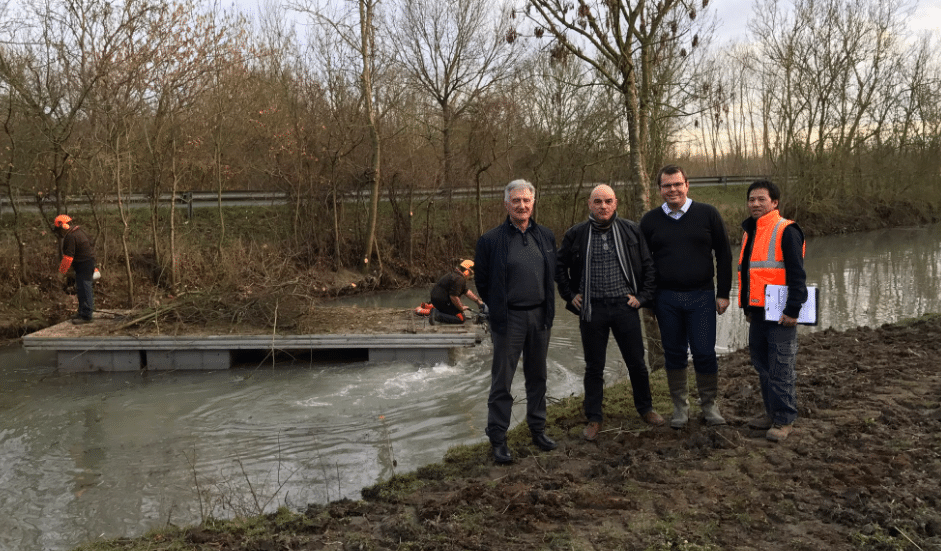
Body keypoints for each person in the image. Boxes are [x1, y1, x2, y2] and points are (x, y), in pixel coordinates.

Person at [557, 184, 665, 441]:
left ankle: (646, 408)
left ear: (616, 203)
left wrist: (642, 297)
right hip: (591, 308)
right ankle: (594, 417)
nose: (603, 206)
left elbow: (649, 266)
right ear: (589, 204)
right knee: (594, 366)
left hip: (624, 306)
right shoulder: (577, 234)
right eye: (598, 202)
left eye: (607, 201)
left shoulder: (631, 230)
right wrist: (570, 296)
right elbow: (559, 268)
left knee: (637, 362)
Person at [640, 165, 733, 428]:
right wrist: (649, 301)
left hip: (702, 296)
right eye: (667, 185)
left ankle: (709, 405)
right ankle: (680, 407)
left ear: (687, 185)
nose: (673, 190)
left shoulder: (708, 214)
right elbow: (643, 264)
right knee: (674, 353)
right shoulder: (650, 221)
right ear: (659, 189)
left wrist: (724, 293)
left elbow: (724, 255)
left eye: (677, 184)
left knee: (704, 352)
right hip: (666, 298)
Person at [474, 179, 558, 463]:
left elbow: (551, 277)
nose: (522, 205)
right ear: (506, 203)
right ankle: (498, 439)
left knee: (538, 377)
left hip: (539, 316)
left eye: (526, 200)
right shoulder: (490, 240)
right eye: (516, 201)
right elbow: (483, 282)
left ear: (533, 202)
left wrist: (546, 312)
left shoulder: (545, 236)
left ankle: (538, 429)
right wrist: (500, 307)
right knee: (502, 381)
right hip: (509, 319)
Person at [738, 179, 807, 442]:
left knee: (781, 367)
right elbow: (748, 273)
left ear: (774, 202)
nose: (755, 204)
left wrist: (793, 309)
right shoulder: (750, 231)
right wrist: (745, 306)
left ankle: (784, 420)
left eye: (761, 199)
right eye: (751, 199)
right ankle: (771, 413)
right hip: (757, 312)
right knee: (763, 366)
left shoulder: (786, 230)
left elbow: (796, 275)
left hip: (780, 313)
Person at [54, 214, 97, 324]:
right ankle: (82, 312)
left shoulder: (71, 236)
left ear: (64, 227)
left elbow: (68, 258)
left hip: (84, 264)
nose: (60, 234)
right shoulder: (79, 232)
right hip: (85, 263)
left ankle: (86, 315)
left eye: (59, 230)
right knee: (80, 288)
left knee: (85, 288)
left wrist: (61, 273)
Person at [428, 260, 484, 324]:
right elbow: (453, 297)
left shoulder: (456, 275)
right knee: (461, 318)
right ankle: (436, 315)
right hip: (441, 301)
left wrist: (478, 301)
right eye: (471, 273)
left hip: (438, 299)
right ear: (467, 271)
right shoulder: (459, 279)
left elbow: (466, 291)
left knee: (457, 311)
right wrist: (461, 307)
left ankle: (438, 312)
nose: (471, 276)